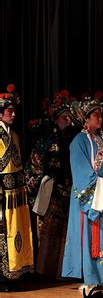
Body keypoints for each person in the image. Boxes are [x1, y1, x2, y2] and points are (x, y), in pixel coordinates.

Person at [62, 92, 103, 293]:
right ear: (86, 119)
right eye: (95, 115)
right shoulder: (78, 141)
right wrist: (101, 186)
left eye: (100, 114)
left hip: (101, 193)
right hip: (86, 197)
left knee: (102, 238)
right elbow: (81, 173)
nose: (100, 118)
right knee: (89, 237)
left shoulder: (101, 140)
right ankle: (90, 278)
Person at [24, 89, 76, 279]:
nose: (67, 121)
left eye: (69, 117)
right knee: (48, 231)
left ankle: (65, 270)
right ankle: (43, 271)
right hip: (50, 193)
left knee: (66, 233)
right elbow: (34, 166)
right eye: (64, 118)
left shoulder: (74, 140)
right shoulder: (44, 141)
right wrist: (42, 181)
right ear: (55, 119)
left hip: (70, 191)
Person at [0, 84, 34, 291]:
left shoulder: (14, 136)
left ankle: (15, 272)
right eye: (9, 111)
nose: (12, 114)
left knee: (17, 231)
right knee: (4, 233)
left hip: (16, 194)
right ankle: (4, 276)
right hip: (3, 193)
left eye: (14, 110)